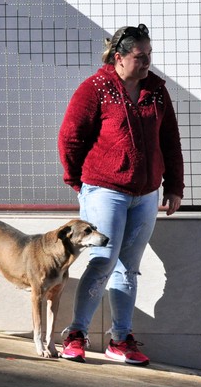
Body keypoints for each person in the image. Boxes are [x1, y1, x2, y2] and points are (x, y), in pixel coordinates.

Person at [57, 24, 184, 366]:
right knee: (103, 261)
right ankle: (76, 334)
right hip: (105, 190)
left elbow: (169, 140)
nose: (147, 62)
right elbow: (70, 137)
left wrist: (174, 185)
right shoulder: (95, 88)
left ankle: (120, 340)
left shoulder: (156, 91)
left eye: (149, 55)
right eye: (140, 57)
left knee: (128, 268)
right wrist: (79, 182)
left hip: (146, 195)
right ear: (119, 58)